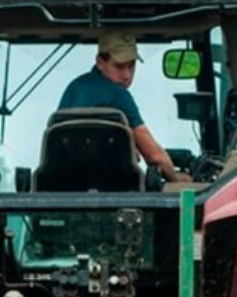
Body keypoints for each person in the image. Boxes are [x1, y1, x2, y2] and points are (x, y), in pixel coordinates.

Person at [58, 30, 192, 184]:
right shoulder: (118, 95)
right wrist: (175, 179)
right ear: (100, 62)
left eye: (131, 66)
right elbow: (153, 156)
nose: (127, 75)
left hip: (63, 186)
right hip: (113, 188)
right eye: (119, 66)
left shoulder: (74, 88)